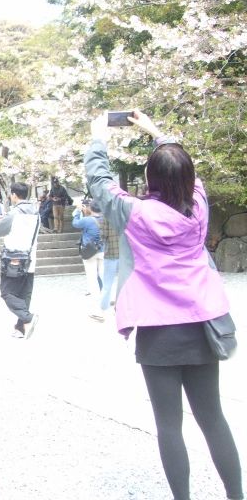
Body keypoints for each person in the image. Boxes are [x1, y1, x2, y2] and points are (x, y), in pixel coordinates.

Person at [85, 109, 243, 500]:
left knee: (169, 425)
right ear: (189, 177)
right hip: (203, 323)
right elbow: (182, 169)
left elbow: (100, 184)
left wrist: (98, 139)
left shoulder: (135, 212)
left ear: (149, 179)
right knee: (213, 419)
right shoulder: (199, 204)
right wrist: (156, 131)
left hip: (158, 331)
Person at [0, 182, 40, 339]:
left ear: (14, 195)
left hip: (12, 260)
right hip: (30, 259)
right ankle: (20, 329)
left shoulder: (13, 214)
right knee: (24, 294)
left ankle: (29, 318)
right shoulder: (36, 213)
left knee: (7, 292)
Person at [72, 200, 104, 311]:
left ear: (91, 208)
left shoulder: (87, 220)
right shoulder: (107, 219)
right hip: (104, 250)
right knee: (103, 275)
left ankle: (96, 302)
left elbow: (75, 223)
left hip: (90, 252)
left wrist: (77, 211)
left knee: (92, 277)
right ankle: (105, 297)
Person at [98, 214, 119, 318]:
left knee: (107, 284)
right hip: (126, 254)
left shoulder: (106, 216)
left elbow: (102, 235)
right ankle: (121, 307)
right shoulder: (127, 214)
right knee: (124, 283)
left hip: (111, 253)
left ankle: (103, 309)